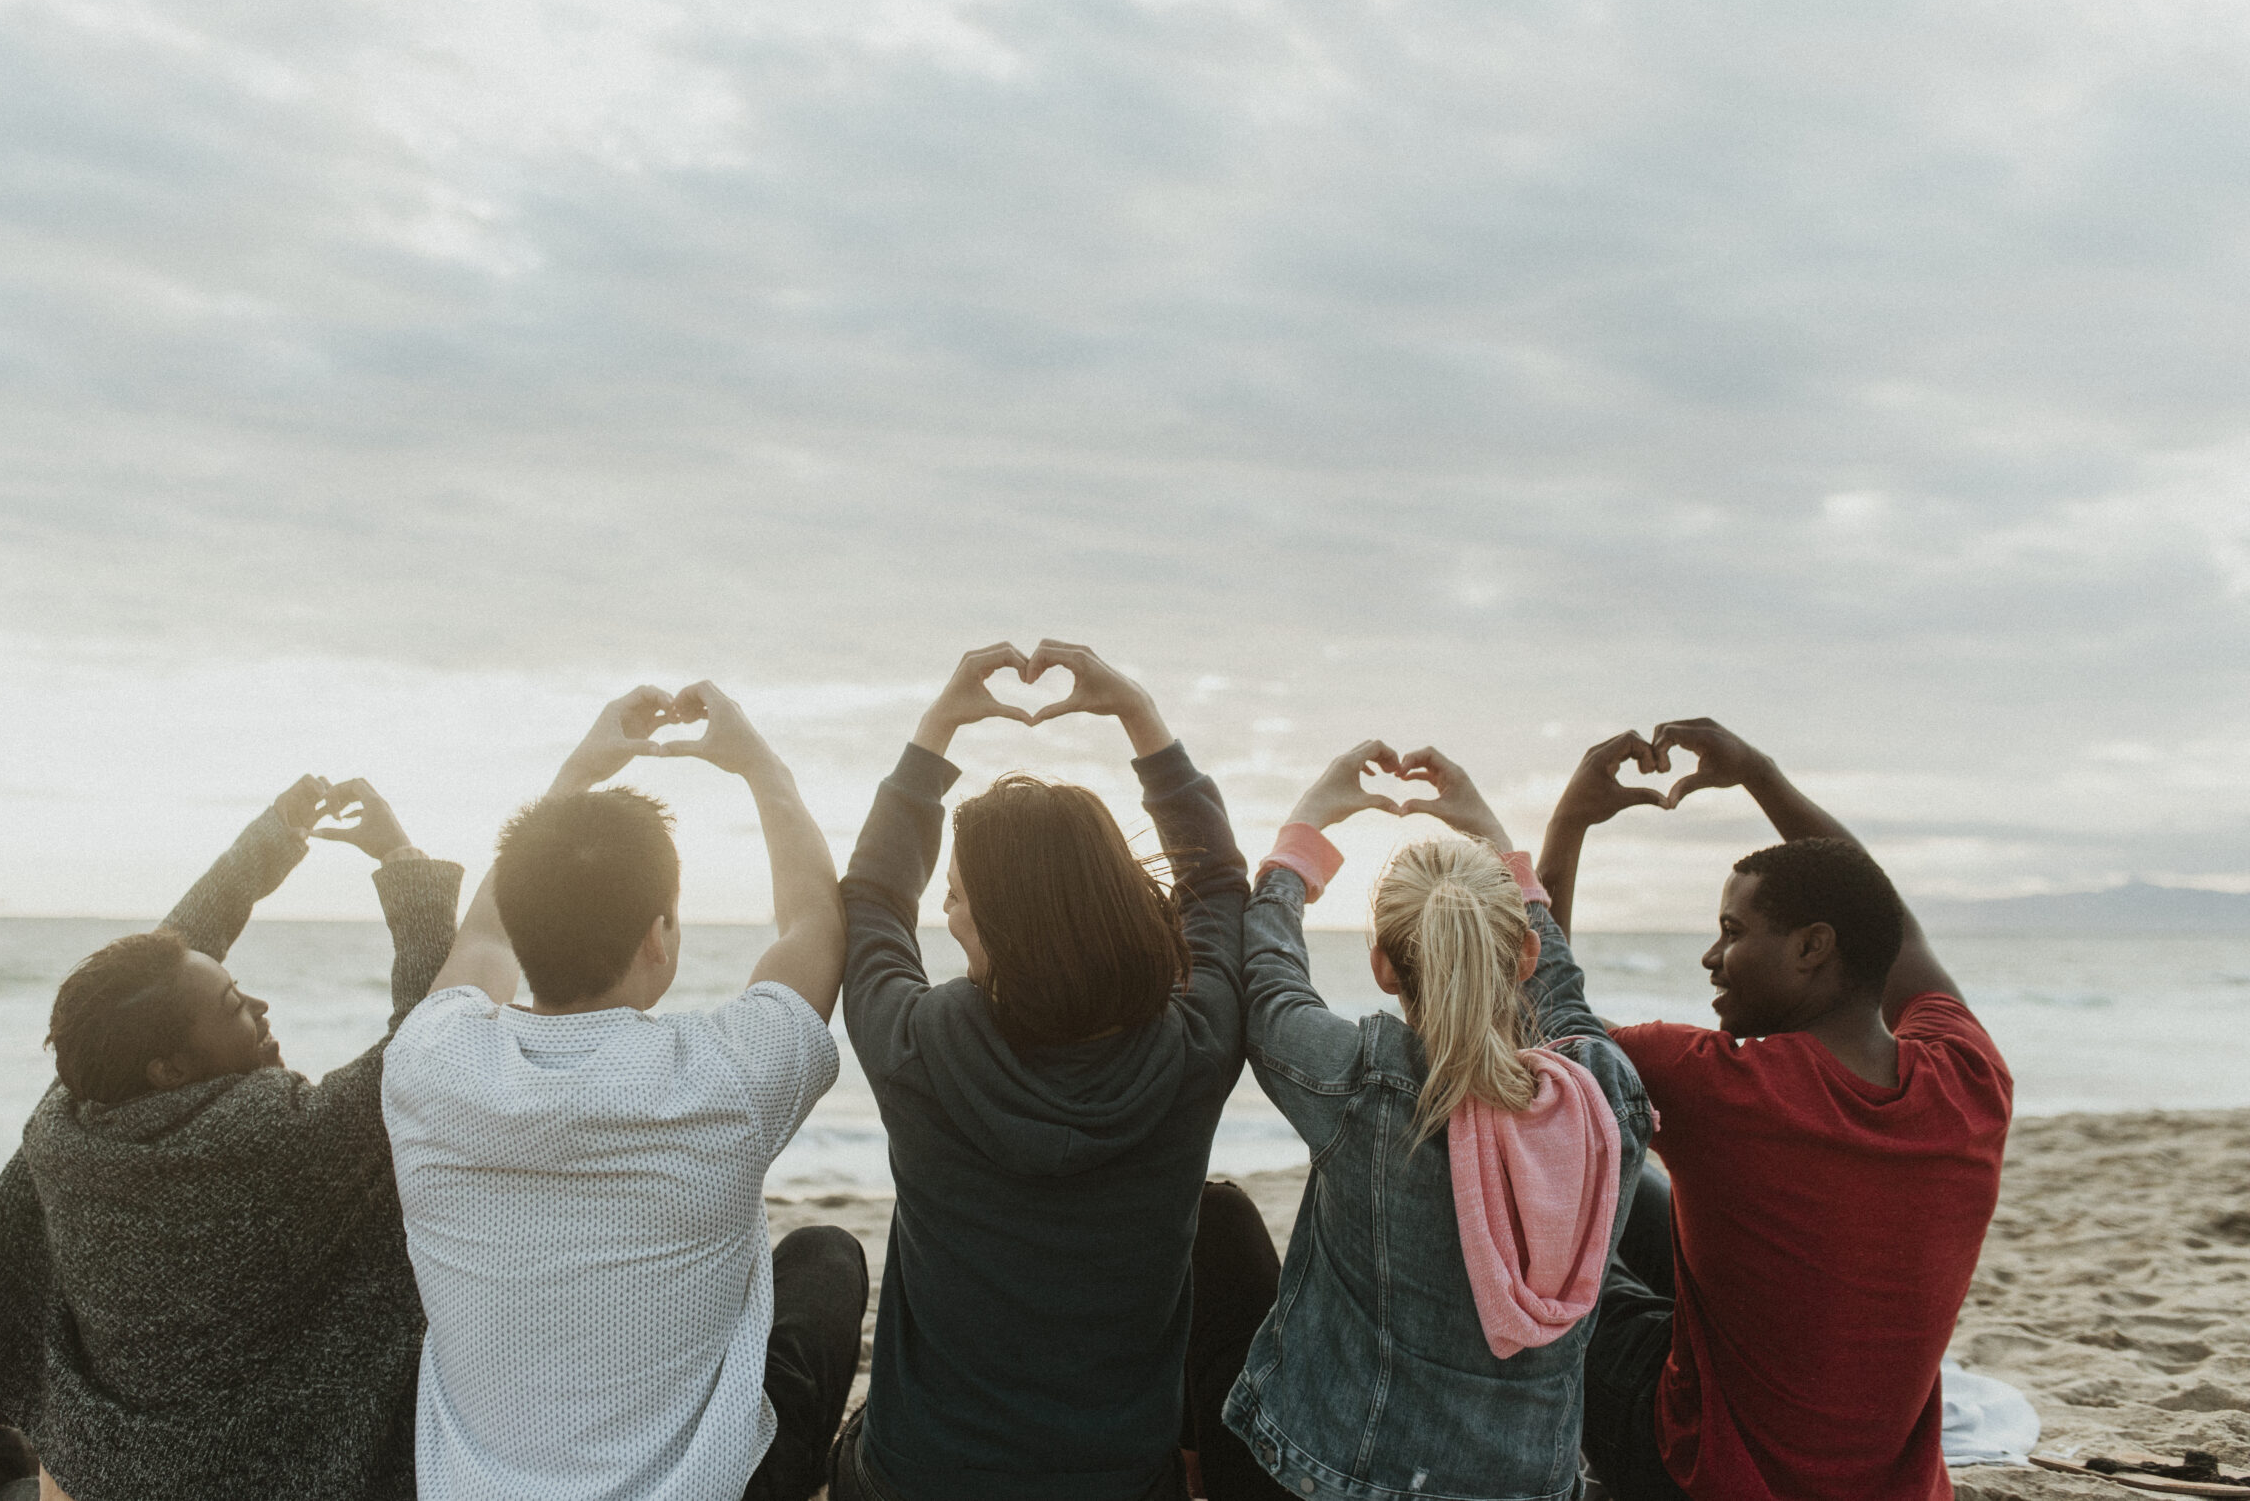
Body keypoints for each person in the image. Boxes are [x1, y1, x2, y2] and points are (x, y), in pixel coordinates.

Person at [382, 682, 868, 1501]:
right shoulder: (725, 1079)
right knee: (827, 1256)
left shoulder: (427, 1060)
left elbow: (487, 933)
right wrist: (759, 766)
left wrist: (584, 765)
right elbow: (815, 925)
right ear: (661, 933)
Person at [0, 775, 462, 1501]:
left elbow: (165, 964)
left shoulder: (69, 1119)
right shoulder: (276, 1136)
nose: (261, 1006)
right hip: (260, 1468)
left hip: (105, 1465)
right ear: (170, 1065)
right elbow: (425, 1043)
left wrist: (272, 837)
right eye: (235, 1005)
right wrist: (399, 856)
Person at [1541, 719, 2014, 1501]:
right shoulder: (1967, 1075)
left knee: (1544, 1194)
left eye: (1732, 931)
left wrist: (1570, 820)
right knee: (1642, 1196)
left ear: (1813, 946)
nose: (1710, 956)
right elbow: (1893, 922)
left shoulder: (1717, 1086)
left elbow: (1540, 1017)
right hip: (1881, 1482)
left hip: (1698, 1467)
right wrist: (1760, 773)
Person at [831, 640, 1251, 1501]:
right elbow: (1216, 891)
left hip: (916, 1484)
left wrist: (937, 727)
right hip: (1122, 1487)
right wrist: (1140, 716)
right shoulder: (1195, 1049)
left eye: (954, 894)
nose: (942, 907)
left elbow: (872, 899)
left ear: (990, 926)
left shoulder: (915, 1047)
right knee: (1226, 1218)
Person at [1204, 741, 1654, 1501]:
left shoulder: (1354, 1081)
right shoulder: (1604, 1097)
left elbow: (1270, 983)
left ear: (1382, 965)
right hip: (1530, 1485)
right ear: (1524, 954)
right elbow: (1564, 992)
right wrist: (1490, 832)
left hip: (1339, 1476)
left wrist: (1305, 827)